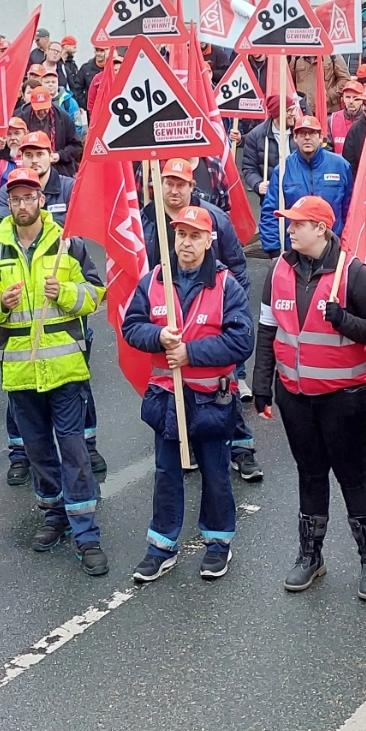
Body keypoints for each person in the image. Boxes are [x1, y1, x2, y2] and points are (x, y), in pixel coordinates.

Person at [0, 167, 109, 576]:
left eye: (29, 197)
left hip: (65, 368)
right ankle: (54, 515)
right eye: (15, 198)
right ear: (8, 203)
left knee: (73, 450)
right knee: (37, 452)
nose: (22, 204)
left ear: (41, 200)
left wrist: (64, 294)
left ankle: (86, 533)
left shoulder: (69, 243)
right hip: (20, 372)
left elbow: (96, 293)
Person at [252, 193, 366, 602]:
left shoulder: (354, 274)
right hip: (295, 396)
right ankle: (311, 556)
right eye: (289, 223)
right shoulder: (277, 269)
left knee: (352, 477)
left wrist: (343, 320)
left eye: (297, 224)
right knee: (309, 475)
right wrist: (262, 383)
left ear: (321, 229)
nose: (289, 230)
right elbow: (267, 330)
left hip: (344, 398)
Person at [124, 205, 255, 584]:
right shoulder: (153, 281)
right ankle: (161, 547)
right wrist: (158, 337)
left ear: (208, 241)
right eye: (181, 235)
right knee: (166, 473)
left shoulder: (225, 285)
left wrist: (191, 353)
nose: (186, 242)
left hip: (211, 399)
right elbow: (132, 326)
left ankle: (217, 544)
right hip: (166, 398)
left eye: (195, 236)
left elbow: (240, 340)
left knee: (215, 473)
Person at [139, 156, 260, 482]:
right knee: (178, 392)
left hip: (211, 320)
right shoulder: (147, 220)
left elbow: (237, 266)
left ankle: (242, 450)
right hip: (172, 323)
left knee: (222, 391)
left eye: (181, 184)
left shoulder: (216, 220)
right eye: (169, 183)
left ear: (193, 186)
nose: (174, 190)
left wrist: (231, 312)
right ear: (159, 184)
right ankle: (186, 442)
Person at [256, 114, 352, 256]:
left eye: (312, 133)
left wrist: (346, 246)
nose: (307, 137)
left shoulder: (341, 166)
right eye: (302, 133)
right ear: (295, 138)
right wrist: (274, 251)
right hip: (295, 250)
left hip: (332, 250)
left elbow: (350, 210)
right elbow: (270, 212)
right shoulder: (283, 169)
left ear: (321, 137)